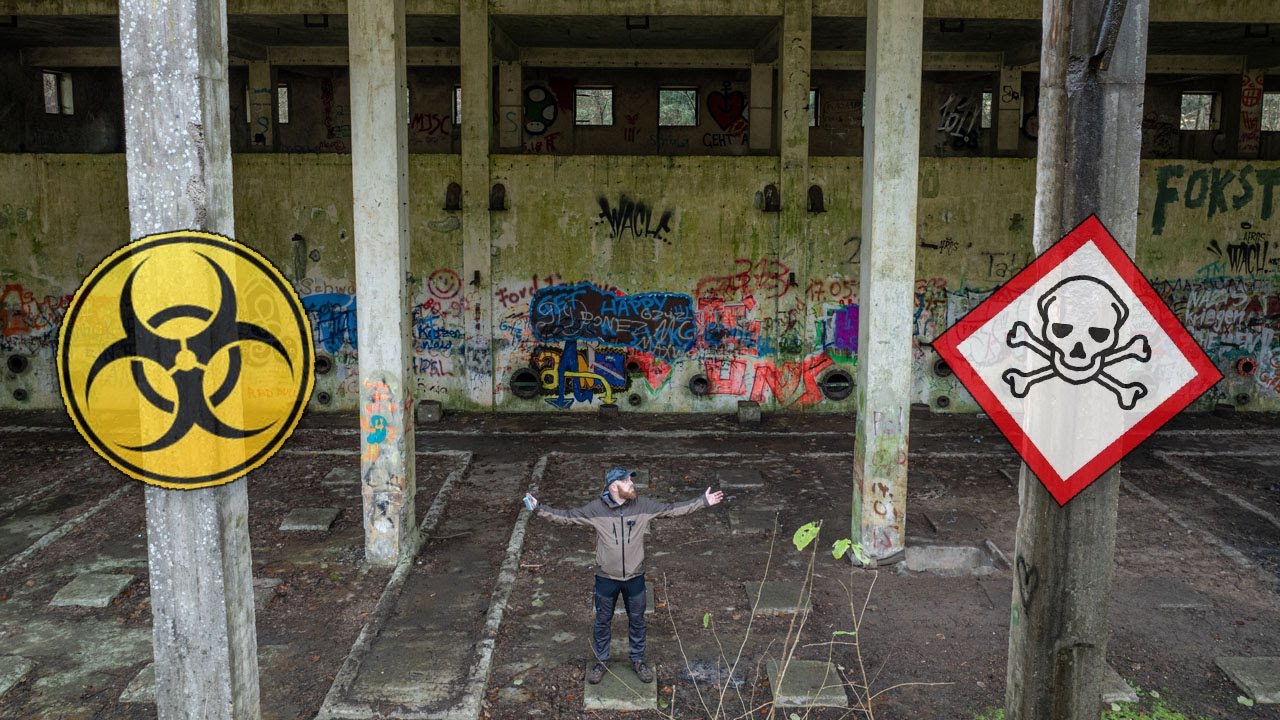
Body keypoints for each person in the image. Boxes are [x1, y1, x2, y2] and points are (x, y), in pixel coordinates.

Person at [523, 467, 725, 685]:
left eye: (630, 480)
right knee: (602, 622)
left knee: (637, 621)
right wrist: (538, 508)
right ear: (613, 487)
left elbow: (672, 509)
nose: (631, 484)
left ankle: (638, 660)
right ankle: (600, 661)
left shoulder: (642, 505)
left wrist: (702, 501)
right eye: (626, 481)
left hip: (635, 577)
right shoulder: (595, 509)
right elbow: (567, 517)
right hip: (606, 578)